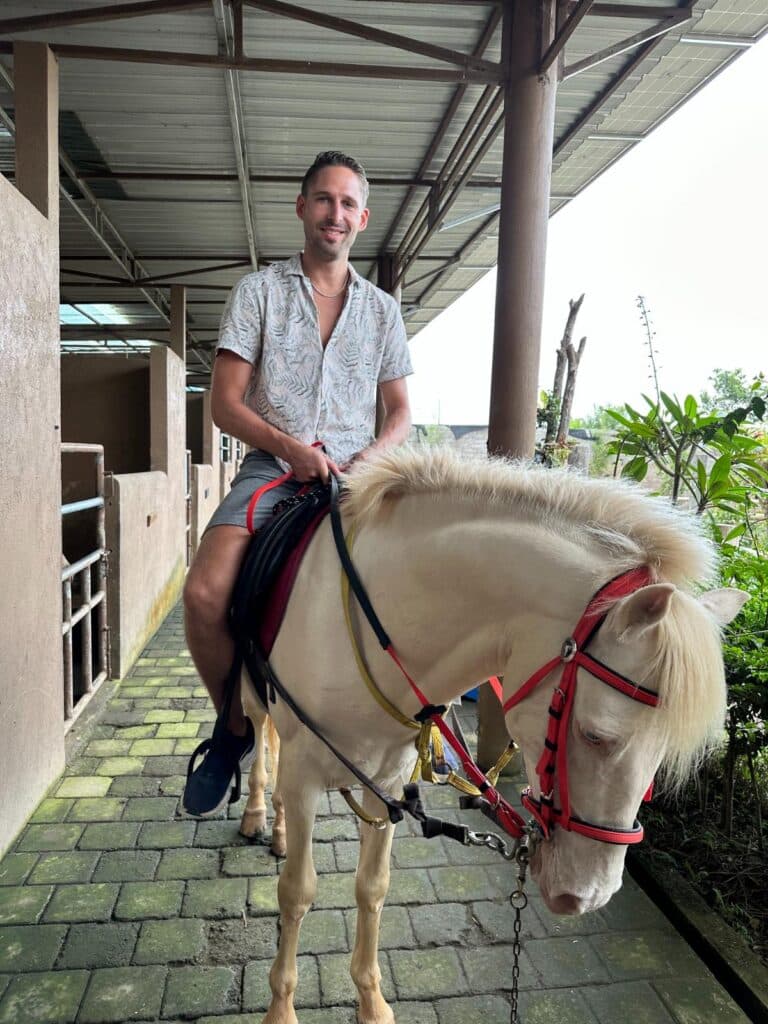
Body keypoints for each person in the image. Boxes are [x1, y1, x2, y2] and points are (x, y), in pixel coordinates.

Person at [182, 151, 413, 816]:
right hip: (272, 470)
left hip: (357, 477)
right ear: (302, 207)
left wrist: (367, 461)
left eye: (347, 204)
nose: (334, 214)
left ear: (362, 218)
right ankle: (232, 732)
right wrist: (289, 450)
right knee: (202, 593)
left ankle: (408, 725)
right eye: (323, 200)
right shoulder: (258, 292)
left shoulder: (383, 312)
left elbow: (400, 415)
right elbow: (225, 405)